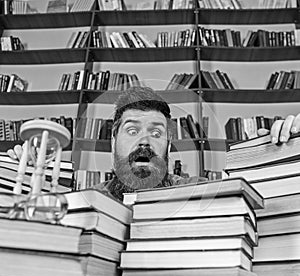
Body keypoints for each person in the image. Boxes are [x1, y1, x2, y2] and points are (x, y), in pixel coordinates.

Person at [6, 86, 300, 202]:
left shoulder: (203, 195)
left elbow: (268, 208)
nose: (145, 140)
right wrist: (24, 173)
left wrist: (280, 154)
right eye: (132, 131)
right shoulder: (82, 202)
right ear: (112, 142)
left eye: (157, 133)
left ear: (169, 146)